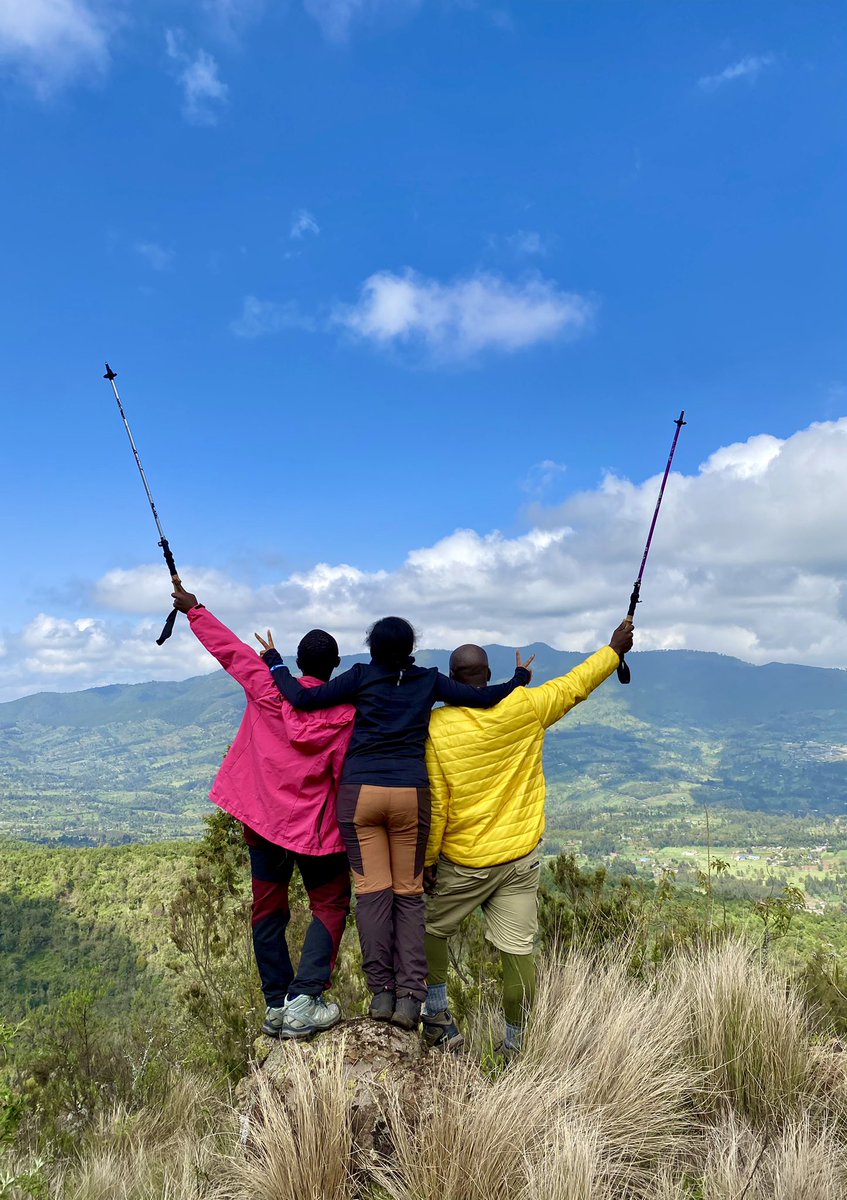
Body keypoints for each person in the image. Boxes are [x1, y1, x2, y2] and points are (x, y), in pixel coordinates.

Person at [257, 616, 533, 1031]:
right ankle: (409, 1000)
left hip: (361, 796)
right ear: (410, 648)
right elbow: (482, 698)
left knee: (371, 895)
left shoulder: (360, 676)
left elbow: (301, 698)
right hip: (409, 795)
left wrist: (275, 661)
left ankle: (381, 993)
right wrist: (519, 678)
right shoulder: (428, 680)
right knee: (408, 894)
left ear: (371, 647)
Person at [421, 621, 634, 1058]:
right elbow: (575, 685)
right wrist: (613, 650)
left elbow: (438, 806)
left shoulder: (437, 727)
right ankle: (515, 1045)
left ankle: (439, 1017)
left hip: (464, 860)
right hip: (519, 857)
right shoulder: (525, 706)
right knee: (518, 952)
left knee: (427, 928)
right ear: (487, 674)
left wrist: (427, 862)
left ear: (450, 680)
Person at [171, 581, 356, 1040]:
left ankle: (277, 1004)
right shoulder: (344, 713)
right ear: (335, 667)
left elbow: (231, 652)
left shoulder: (268, 688)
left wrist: (194, 609)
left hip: (263, 827)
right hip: (316, 833)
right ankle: (306, 998)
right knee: (330, 905)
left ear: (297, 660)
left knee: (268, 912)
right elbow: (343, 777)